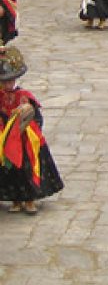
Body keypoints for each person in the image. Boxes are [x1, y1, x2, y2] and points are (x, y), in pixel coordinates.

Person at [0, 46, 64, 214]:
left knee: (26, 170)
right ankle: (15, 200)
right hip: (6, 139)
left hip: (24, 140)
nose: (8, 84)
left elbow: (37, 119)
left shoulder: (25, 96)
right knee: (10, 171)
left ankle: (29, 200)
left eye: (10, 81)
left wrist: (25, 123)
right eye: (4, 81)